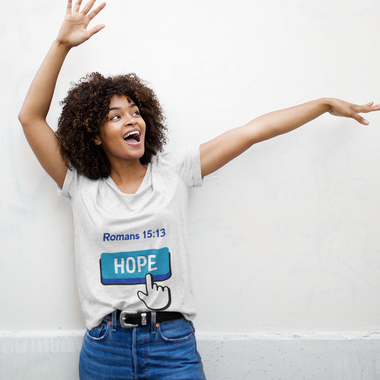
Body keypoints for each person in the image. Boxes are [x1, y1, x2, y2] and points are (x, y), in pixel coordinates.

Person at [18, 0, 380, 379]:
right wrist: (61, 44)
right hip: (105, 348)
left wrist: (322, 104)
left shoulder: (174, 170)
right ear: (93, 134)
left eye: (135, 111)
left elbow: (252, 132)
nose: (132, 119)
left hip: (171, 345)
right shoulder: (79, 182)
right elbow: (30, 118)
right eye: (116, 116)